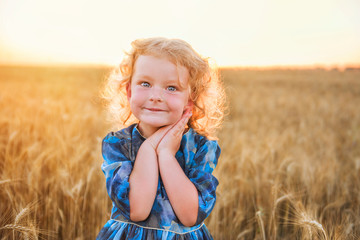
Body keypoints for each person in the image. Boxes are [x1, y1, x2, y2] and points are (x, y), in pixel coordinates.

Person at [97, 37, 226, 240]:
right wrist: (149, 148)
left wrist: (165, 153)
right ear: (129, 91)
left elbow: (190, 215)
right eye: (145, 83)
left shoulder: (201, 147)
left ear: (189, 99)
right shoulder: (118, 144)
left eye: (171, 88)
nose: (156, 96)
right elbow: (138, 210)